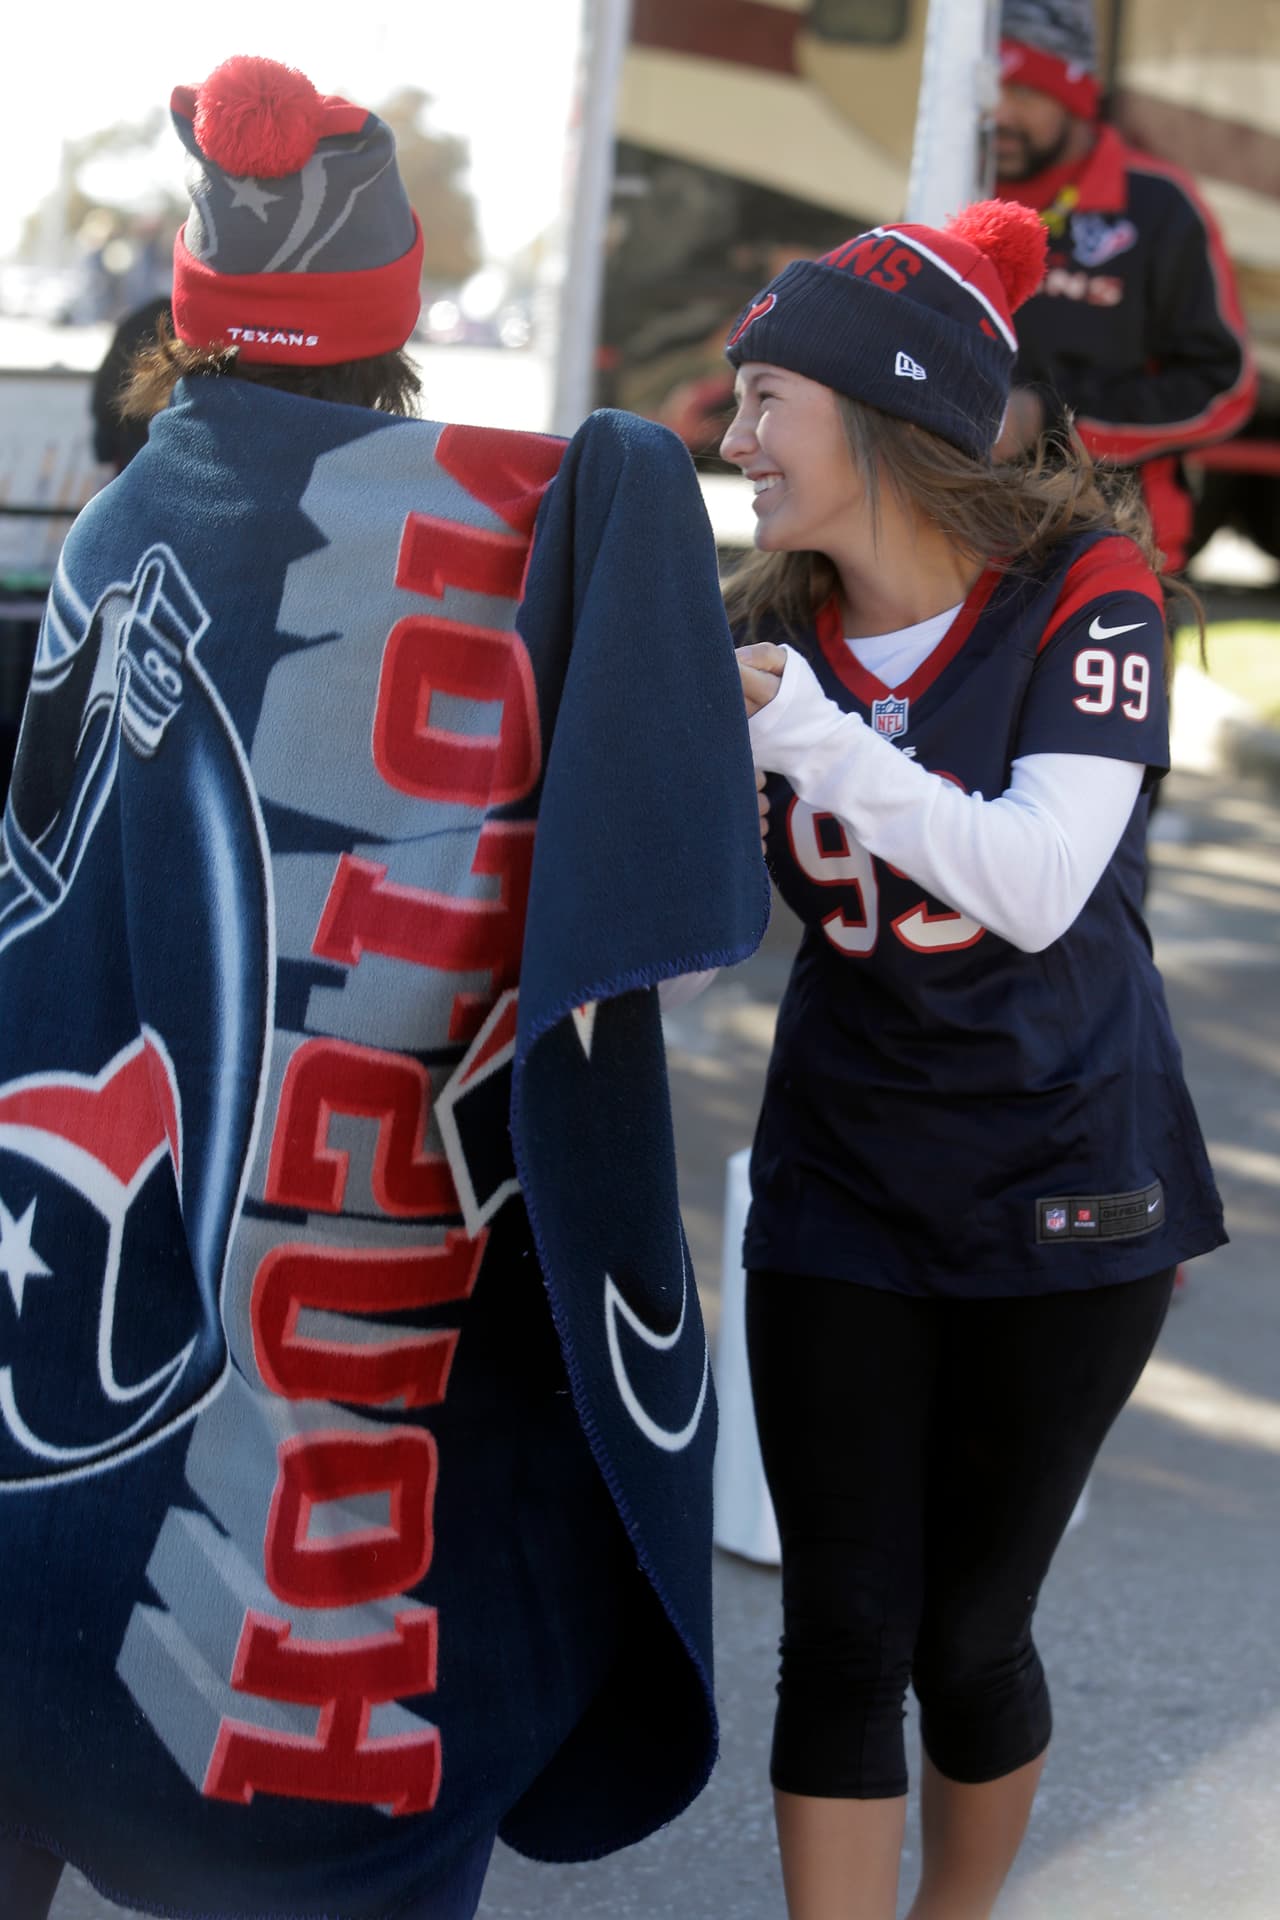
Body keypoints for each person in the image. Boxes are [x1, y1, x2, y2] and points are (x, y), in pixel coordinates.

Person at [0, 56, 767, 1920]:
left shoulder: (115, 533)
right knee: (366, 1750)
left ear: (191, 305)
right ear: (393, 319)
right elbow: (640, 930)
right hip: (381, 1311)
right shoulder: (533, 543)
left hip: (104, 1282)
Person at [720, 196, 1227, 1920]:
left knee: (968, 1631)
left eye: (768, 401)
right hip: (846, 1172)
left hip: (1067, 1177)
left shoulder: (1090, 588)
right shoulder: (761, 618)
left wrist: (807, 734)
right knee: (840, 1630)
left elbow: (1033, 879)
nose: (738, 440)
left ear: (881, 410)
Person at [992, 0, 1257, 573]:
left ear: (1075, 96)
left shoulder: (1159, 206)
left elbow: (1224, 389)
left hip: (1112, 549)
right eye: (989, 88)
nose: (1000, 112)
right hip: (959, 540)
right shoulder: (953, 184)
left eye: (1026, 92)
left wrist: (1050, 420)